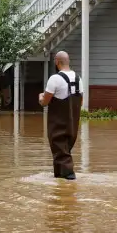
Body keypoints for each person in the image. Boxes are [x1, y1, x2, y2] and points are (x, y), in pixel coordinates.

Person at [39, 51, 82, 180]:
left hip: (58, 124)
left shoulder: (55, 79)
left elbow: (44, 102)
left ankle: (69, 177)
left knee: (61, 152)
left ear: (57, 62)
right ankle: (59, 182)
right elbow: (81, 101)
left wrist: (40, 96)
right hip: (73, 124)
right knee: (63, 152)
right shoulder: (78, 78)